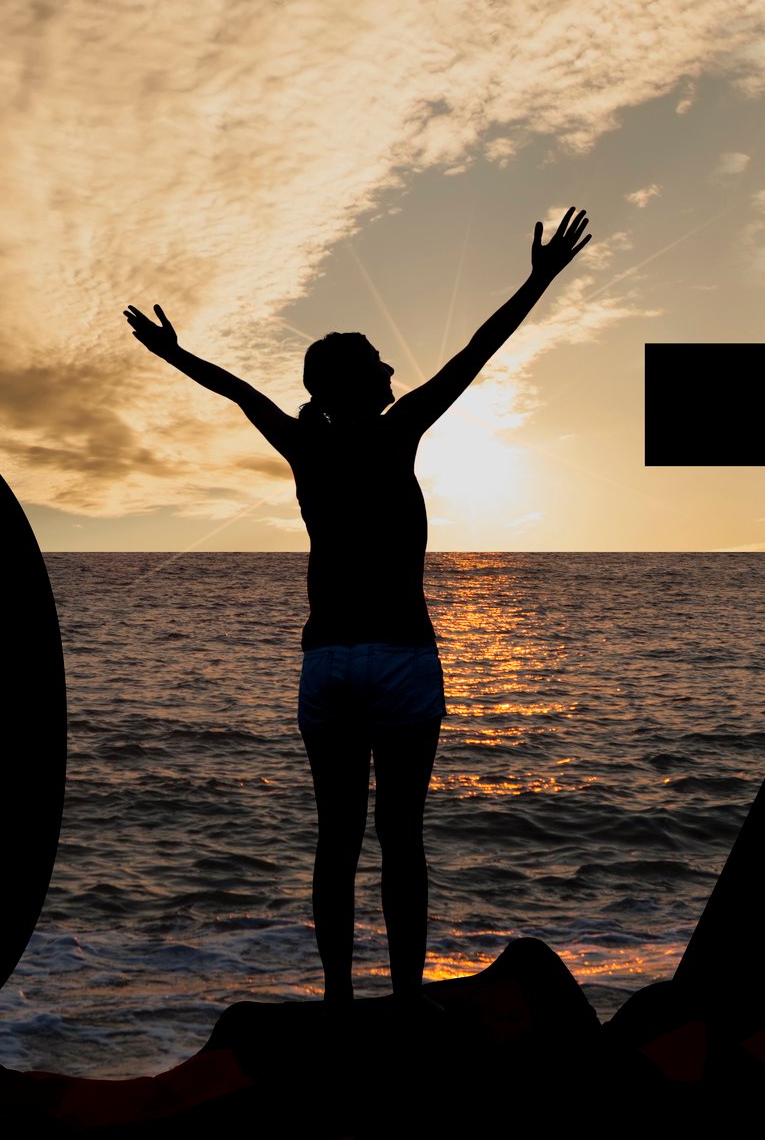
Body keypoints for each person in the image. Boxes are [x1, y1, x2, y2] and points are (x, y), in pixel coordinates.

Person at [124, 207, 591, 1016]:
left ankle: (340, 1003)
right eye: (378, 364)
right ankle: (405, 1002)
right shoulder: (397, 431)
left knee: (335, 844)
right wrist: (538, 279)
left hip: (329, 663)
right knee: (399, 843)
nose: (393, 374)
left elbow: (236, 389)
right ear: (352, 382)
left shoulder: (306, 444)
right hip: (403, 658)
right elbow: (476, 353)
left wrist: (174, 355)